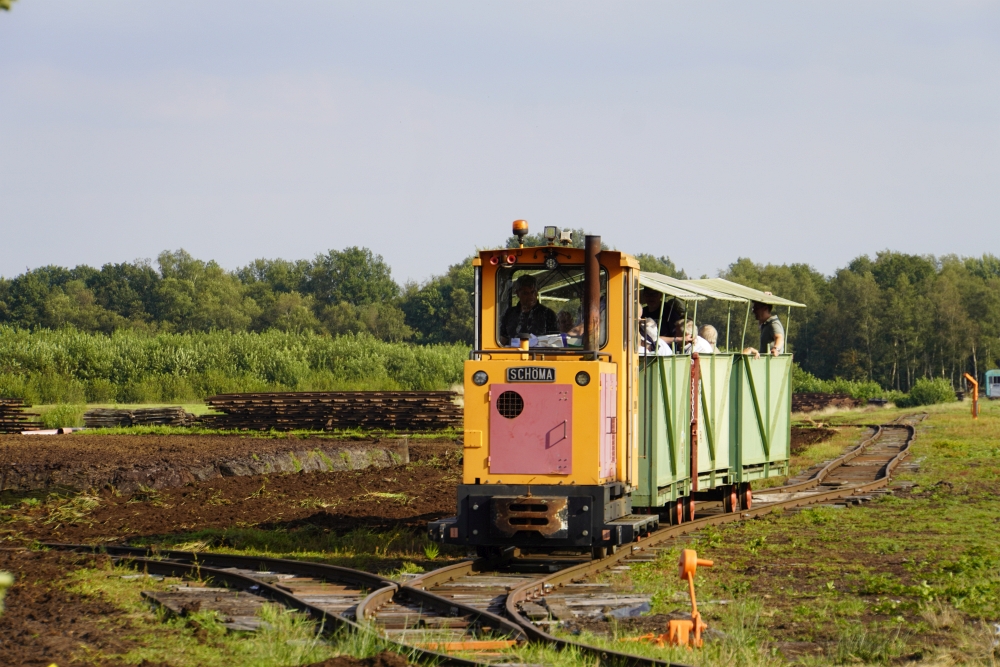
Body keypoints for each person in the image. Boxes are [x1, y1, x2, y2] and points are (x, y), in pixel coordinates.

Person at [499, 274, 559, 345]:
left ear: (537, 292)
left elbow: (554, 340)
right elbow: (503, 338)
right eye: (525, 293)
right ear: (517, 293)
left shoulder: (548, 314)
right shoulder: (509, 313)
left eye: (533, 292)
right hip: (512, 354)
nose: (531, 297)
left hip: (540, 354)